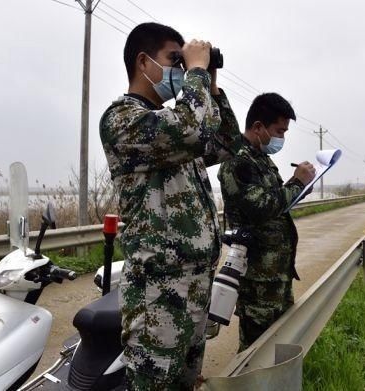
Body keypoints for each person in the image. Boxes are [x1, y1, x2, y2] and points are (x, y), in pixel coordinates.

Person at [99, 22, 243, 390]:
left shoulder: (177, 128)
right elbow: (191, 130)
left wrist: (210, 83)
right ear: (144, 62)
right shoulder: (123, 119)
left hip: (194, 285)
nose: (180, 71)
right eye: (173, 60)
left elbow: (227, 144)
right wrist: (194, 71)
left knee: (184, 384)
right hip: (157, 294)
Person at [217, 93, 316, 352]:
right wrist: (297, 183)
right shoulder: (237, 161)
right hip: (258, 280)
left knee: (278, 348)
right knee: (255, 353)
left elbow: (275, 200)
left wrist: (300, 188)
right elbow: (261, 207)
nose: (281, 138)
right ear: (258, 127)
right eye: (279, 131)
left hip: (276, 276)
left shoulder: (260, 159)